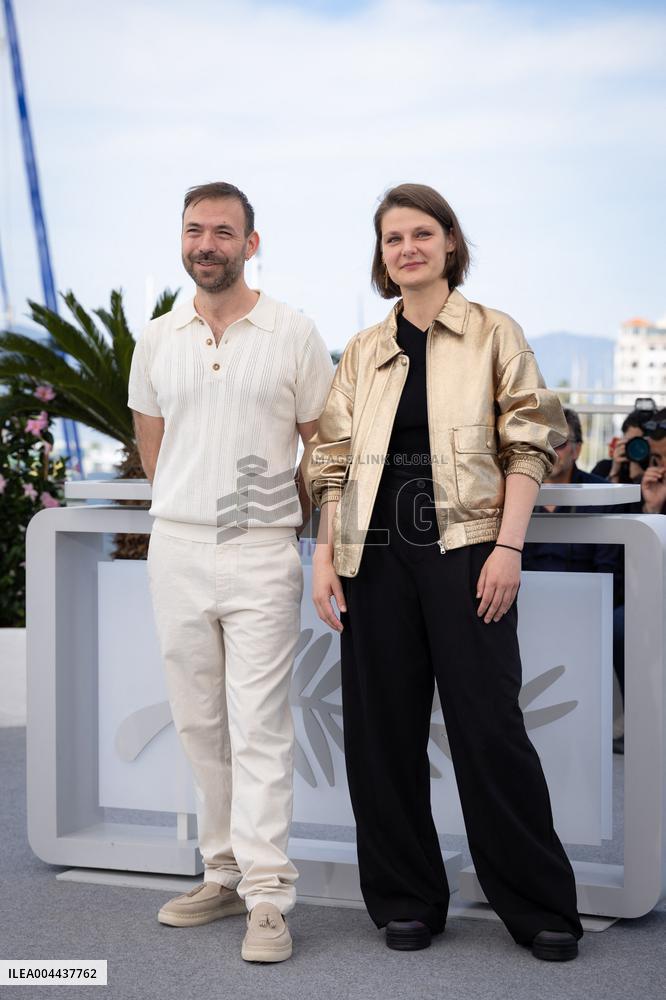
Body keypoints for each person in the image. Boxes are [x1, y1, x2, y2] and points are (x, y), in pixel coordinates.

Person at [306, 183, 583, 961]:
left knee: (489, 727)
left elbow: (531, 441)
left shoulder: (495, 332)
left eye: (421, 234)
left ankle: (537, 906)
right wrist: (325, 557)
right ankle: (407, 899)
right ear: (381, 255)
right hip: (373, 551)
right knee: (382, 732)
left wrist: (509, 548)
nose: (407, 249)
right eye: (393, 239)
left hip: (468, 550)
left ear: (450, 243)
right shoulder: (364, 350)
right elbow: (328, 460)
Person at [128, 182, 334, 963]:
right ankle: (221, 872)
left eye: (222, 231)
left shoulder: (294, 333)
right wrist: (187, 507)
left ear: (252, 243)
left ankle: (268, 897)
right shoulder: (157, 338)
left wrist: (293, 519)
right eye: (193, 231)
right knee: (200, 724)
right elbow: (154, 449)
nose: (205, 244)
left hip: (260, 549)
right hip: (177, 547)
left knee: (260, 728)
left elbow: (322, 444)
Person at [522, 407, 626, 752]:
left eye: (560, 442)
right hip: (523, 603)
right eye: (543, 441)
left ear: (578, 449)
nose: (551, 450)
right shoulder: (517, 492)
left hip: (586, 607)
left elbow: (608, 570)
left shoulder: (602, 495)